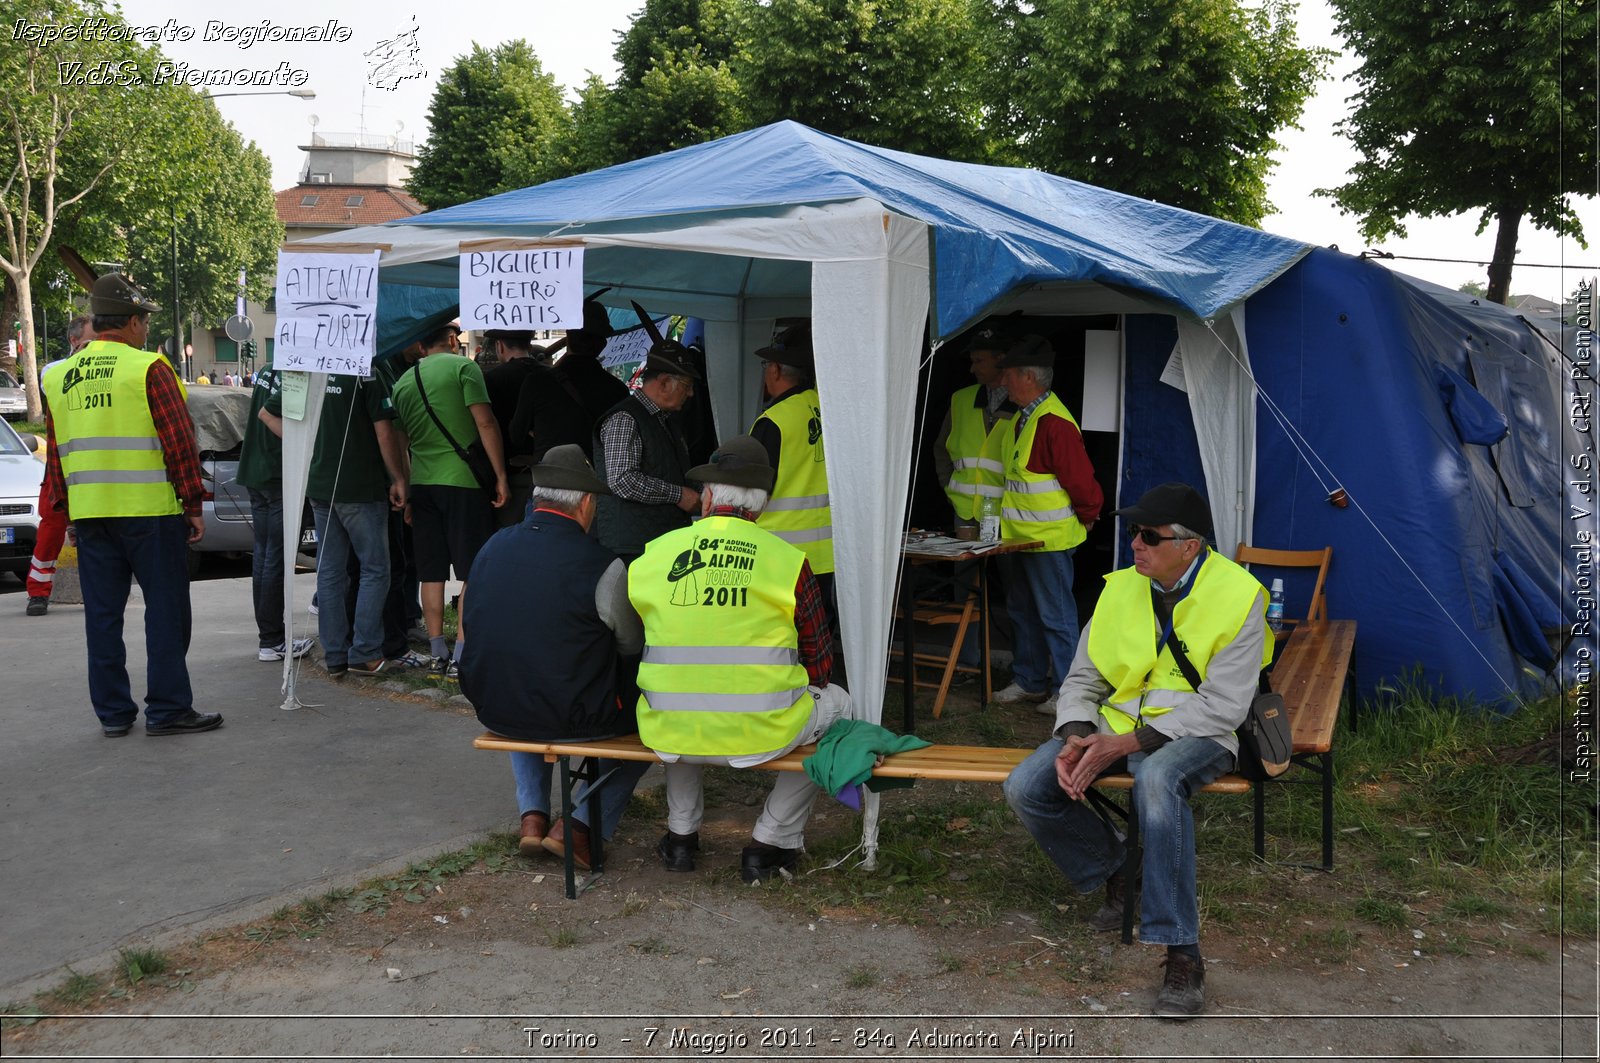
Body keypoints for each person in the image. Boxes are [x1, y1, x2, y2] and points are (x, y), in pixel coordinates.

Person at [1003, 482, 1269, 1018]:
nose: (1135, 545)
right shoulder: (1120, 587)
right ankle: (1122, 870)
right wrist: (1077, 733)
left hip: (1201, 733)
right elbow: (1084, 676)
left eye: (1149, 535)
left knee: (1156, 780)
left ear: (1189, 546)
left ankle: (1182, 954)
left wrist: (1124, 743)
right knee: (1026, 787)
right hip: (1116, 724)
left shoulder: (1241, 595)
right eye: (1133, 533)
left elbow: (1224, 707)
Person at [631, 435, 853, 884]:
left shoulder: (654, 555)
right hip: (761, 729)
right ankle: (771, 840)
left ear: (708, 498)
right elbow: (819, 661)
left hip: (668, 726)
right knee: (843, 707)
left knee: (683, 700)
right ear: (763, 505)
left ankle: (680, 837)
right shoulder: (788, 561)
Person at [41, 274, 220, 737]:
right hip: (150, 514)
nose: (147, 330)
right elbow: (179, 442)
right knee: (165, 613)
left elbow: (57, 457)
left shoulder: (58, 376)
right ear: (134, 322)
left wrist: (68, 515)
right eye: (145, 322)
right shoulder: (148, 368)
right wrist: (193, 504)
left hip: (90, 515)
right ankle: (168, 709)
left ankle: (114, 715)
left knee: (102, 619)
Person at [459, 445, 650, 868]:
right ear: (585, 504)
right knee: (649, 734)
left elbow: (470, 621)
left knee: (523, 687)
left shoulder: (492, 547)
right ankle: (578, 828)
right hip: (578, 716)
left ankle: (532, 818)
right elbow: (630, 646)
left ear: (538, 498)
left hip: (496, 705)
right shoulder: (606, 565)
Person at [261, 372, 409, 678]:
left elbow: (267, 413)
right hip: (360, 487)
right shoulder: (367, 373)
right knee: (375, 569)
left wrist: (310, 449)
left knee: (330, 571)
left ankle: (335, 654)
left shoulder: (309, 370)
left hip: (320, 486)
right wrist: (398, 477)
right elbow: (385, 433)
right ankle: (365, 652)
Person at [990, 334, 1104, 708]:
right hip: (1020, 538)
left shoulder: (1053, 422)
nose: (1002, 380)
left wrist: (1089, 514)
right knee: (1022, 611)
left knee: (1056, 616)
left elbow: (1080, 479)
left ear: (1027, 377)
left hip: (1048, 540)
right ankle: (1030, 680)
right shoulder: (1024, 418)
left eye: (1008, 373)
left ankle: (1068, 693)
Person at [389, 322, 509, 674]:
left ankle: (437, 648)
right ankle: (462, 652)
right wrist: (500, 476)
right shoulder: (464, 368)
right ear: (453, 340)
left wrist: (407, 489)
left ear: (422, 346)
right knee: (471, 570)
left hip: (423, 485)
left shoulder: (402, 382)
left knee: (431, 572)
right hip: (463, 483)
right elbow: (485, 424)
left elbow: (401, 442)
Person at [592, 338, 701, 564]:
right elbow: (622, 480)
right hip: (631, 548)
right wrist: (679, 495)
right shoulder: (625, 418)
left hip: (657, 541)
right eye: (686, 385)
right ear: (663, 383)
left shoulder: (665, 420)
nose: (690, 393)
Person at [236, 364, 314, 662]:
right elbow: (268, 415)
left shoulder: (271, 368)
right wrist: (308, 451)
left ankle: (268, 638)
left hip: (256, 470)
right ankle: (272, 640)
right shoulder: (297, 373)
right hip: (276, 473)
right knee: (275, 559)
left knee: (265, 556)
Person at [749, 322, 834, 588]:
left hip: (781, 554)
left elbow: (752, 493)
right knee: (821, 628)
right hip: (829, 553)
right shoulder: (831, 410)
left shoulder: (773, 421)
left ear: (774, 369)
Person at [25, 314, 93, 616]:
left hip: (92, 466)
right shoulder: (54, 370)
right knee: (51, 529)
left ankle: (96, 589)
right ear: (73, 341)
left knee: (95, 531)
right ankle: (38, 592)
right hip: (60, 467)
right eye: (90, 342)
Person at [484, 329, 583, 527]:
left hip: (510, 472)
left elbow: (490, 424)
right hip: (551, 468)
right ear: (529, 345)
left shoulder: (492, 378)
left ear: (499, 346)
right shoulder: (554, 376)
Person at [553, 298, 629, 456]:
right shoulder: (618, 391)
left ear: (568, 335)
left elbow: (517, 434)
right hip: (599, 475)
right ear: (603, 344)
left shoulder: (539, 382)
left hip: (549, 475)